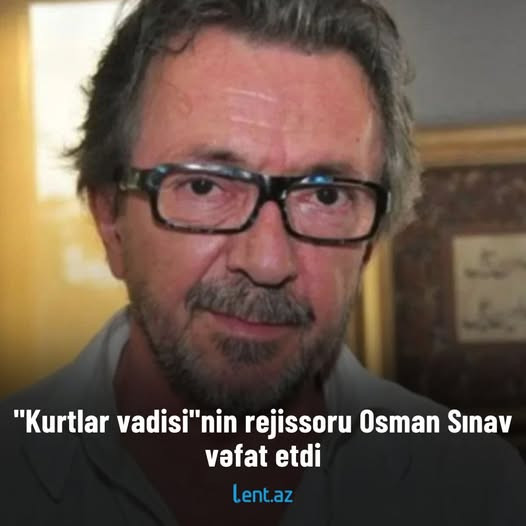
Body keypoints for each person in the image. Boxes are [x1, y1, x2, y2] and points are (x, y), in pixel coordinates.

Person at [2, 1, 525, 525]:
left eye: (326, 196)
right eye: (204, 186)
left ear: (368, 243)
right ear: (110, 219)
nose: (268, 262)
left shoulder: (477, 491)